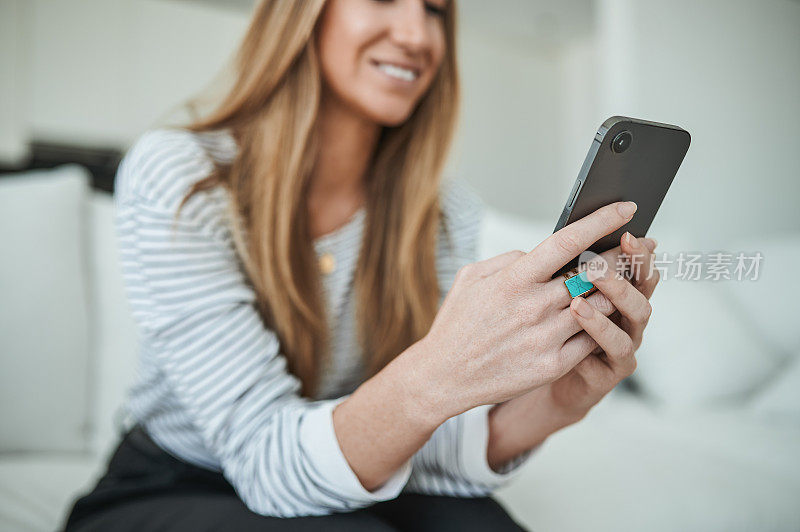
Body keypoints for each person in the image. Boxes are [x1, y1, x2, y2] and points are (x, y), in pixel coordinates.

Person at [63, 0, 659, 530]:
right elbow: (266, 463)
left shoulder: (444, 212)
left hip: (354, 464)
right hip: (177, 480)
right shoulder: (181, 177)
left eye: (434, 9)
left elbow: (415, 446)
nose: (417, 34)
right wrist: (440, 370)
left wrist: (556, 403)